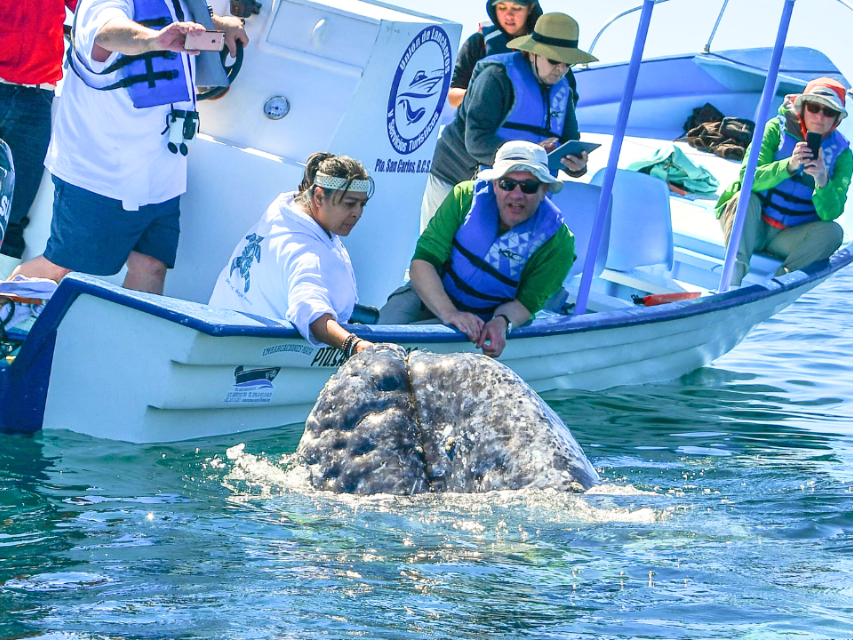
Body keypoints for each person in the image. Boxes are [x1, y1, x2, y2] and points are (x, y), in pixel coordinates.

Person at [9, 0, 248, 294]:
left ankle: (128, 340)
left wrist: (218, 24)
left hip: (162, 172)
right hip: (103, 172)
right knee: (61, 265)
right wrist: (154, 38)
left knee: (151, 265)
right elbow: (106, 33)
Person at [380, 141, 575, 358]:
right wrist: (449, 313)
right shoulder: (463, 196)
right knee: (381, 334)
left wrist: (502, 323)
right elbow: (423, 261)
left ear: (544, 190)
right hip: (429, 292)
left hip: (483, 318)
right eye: (508, 184)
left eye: (529, 186)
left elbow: (527, 303)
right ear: (494, 184)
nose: (517, 195)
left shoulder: (559, 242)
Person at [423, 12, 596, 229]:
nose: (560, 69)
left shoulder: (564, 90)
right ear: (532, 53)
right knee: (438, 256)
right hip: (453, 178)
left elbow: (570, 144)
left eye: (568, 63)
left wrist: (577, 166)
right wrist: (528, 154)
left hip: (508, 192)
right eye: (554, 60)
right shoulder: (496, 77)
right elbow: (476, 140)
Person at [209, 153, 376, 357]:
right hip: (248, 353)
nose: (357, 213)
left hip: (215, 335)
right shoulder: (306, 254)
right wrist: (354, 345)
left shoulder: (283, 208)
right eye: (349, 204)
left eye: (362, 204)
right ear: (318, 197)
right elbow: (309, 309)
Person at [717, 77, 851, 286]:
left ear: (836, 120)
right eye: (814, 107)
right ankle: (731, 279)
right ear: (803, 108)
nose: (819, 116)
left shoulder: (843, 155)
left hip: (789, 239)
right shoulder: (774, 129)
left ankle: (779, 286)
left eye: (829, 111)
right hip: (754, 226)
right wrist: (788, 165)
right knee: (741, 199)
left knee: (833, 232)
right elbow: (747, 179)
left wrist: (822, 179)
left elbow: (831, 214)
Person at [0, 0, 78, 279]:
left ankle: (2, 311)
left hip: (35, 99)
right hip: (30, 100)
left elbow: (92, 8)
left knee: (11, 218)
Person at [448, 0, 576, 112]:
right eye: (502, 7)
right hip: (486, 129)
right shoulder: (478, 43)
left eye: (516, 8)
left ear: (530, 7)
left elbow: (568, 96)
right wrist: (483, 96)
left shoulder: (551, 43)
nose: (508, 15)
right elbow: (453, 96)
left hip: (536, 132)